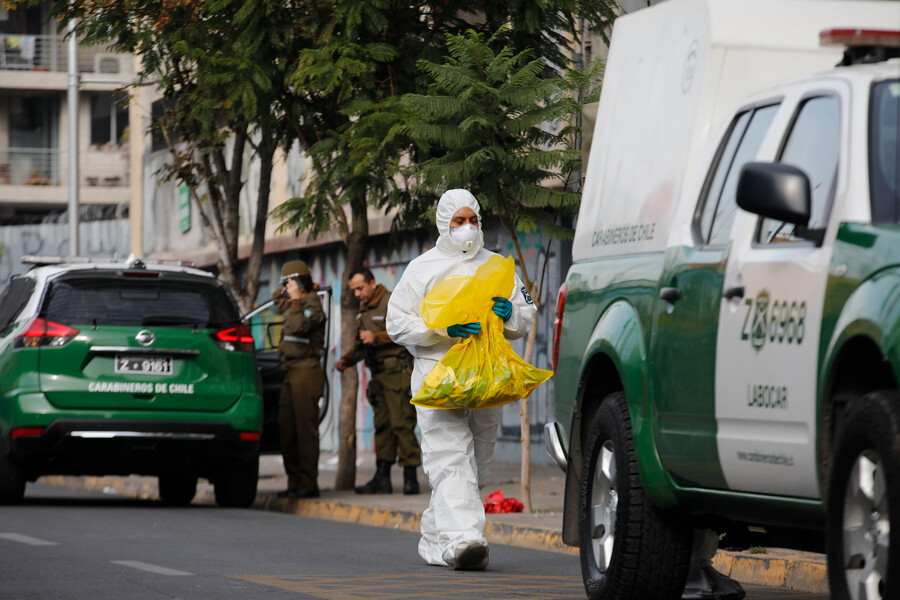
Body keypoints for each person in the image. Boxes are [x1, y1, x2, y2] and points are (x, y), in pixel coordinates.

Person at [386, 189, 535, 570]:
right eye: (459, 221)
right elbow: (397, 323)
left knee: (477, 467)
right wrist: (441, 329)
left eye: (473, 220)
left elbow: (525, 313)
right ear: (444, 224)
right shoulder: (423, 268)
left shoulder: (499, 266)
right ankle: (465, 540)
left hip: (484, 378)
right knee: (451, 460)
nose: (467, 227)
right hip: (439, 376)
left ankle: (434, 540)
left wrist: (511, 316)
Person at [335, 268, 422, 495]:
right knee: (382, 426)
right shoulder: (363, 310)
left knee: (402, 423)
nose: (357, 294)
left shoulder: (392, 301)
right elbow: (361, 344)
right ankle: (382, 477)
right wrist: (346, 361)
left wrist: (377, 337)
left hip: (396, 371)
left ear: (372, 283)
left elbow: (408, 331)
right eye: (353, 290)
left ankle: (410, 477)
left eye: (360, 288)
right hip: (378, 375)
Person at [273, 259, 326, 499]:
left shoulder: (312, 303)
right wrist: (289, 291)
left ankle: (308, 484)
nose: (286, 286)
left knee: (305, 430)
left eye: (290, 281)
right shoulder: (292, 302)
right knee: (287, 428)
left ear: (299, 282)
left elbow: (297, 327)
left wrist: (296, 298)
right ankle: (294, 481)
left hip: (307, 370)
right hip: (290, 371)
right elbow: (276, 301)